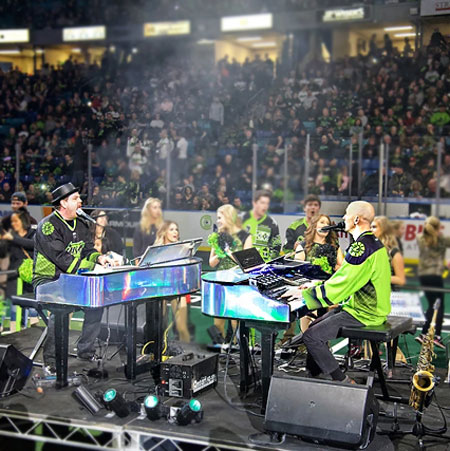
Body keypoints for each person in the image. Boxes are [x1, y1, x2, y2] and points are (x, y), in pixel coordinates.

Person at [282, 201, 391, 383]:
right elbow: (343, 274)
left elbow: (341, 286)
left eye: (346, 214)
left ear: (356, 219)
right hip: (368, 309)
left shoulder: (361, 248)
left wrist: (305, 294)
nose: (343, 218)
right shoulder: (372, 243)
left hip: (365, 313)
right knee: (315, 323)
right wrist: (313, 287)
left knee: (311, 336)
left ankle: (342, 380)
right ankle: (314, 369)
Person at [33, 183, 116, 372]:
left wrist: (100, 258)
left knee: (96, 303)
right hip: (48, 281)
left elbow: (88, 251)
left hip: (71, 281)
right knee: (60, 308)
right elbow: (63, 260)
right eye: (75, 198)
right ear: (63, 203)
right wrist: (92, 265)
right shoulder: (47, 226)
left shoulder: (81, 224)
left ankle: (85, 350)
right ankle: (52, 362)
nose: (80, 202)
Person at [209, 204, 252, 340]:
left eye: (220, 217)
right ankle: (221, 350)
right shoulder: (217, 237)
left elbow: (247, 263)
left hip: (238, 283)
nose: (218, 221)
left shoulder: (245, 236)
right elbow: (211, 263)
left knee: (236, 321)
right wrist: (219, 255)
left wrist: (229, 253)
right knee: (218, 320)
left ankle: (239, 352)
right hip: (220, 281)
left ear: (228, 216)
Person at [295, 214, 344, 332]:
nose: (325, 225)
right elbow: (296, 268)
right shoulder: (304, 246)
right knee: (308, 329)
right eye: (322, 222)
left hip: (328, 288)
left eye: (327, 224)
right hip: (309, 289)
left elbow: (341, 266)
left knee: (323, 328)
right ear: (314, 225)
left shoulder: (334, 246)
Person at [415, 216, 450, 349]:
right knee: (439, 305)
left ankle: (424, 332)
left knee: (431, 305)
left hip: (424, 276)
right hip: (435, 276)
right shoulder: (440, 239)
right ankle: (437, 336)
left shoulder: (420, 238)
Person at [0, 208, 36, 331]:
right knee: (15, 310)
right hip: (14, 278)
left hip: (30, 277)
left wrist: (13, 239)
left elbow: (33, 245)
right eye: (12, 221)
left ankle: (33, 334)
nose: (14, 224)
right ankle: (13, 335)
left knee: (33, 311)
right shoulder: (10, 236)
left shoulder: (33, 234)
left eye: (16, 221)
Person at [155, 221, 190, 343]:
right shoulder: (157, 250)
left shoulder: (183, 248)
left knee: (182, 327)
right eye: (171, 229)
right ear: (164, 232)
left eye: (176, 229)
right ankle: (161, 351)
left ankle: (186, 354)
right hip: (162, 289)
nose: (175, 232)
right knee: (160, 325)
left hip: (179, 289)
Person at [242, 190, 281, 262]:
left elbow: (277, 245)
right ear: (254, 203)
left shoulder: (272, 223)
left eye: (267, 203)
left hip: (264, 265)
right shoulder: (242, 219)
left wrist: (269, 260)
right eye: (262, 203)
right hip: (244, 263)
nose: (265, 206)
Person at [371, 216, 405, 287]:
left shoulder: (393, 252)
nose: (371, 230)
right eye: (370, 227)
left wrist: (378, 277)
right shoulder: (370, 249)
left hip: (388, 293)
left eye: (374, 227)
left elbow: (401, 280)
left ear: (384, 229)